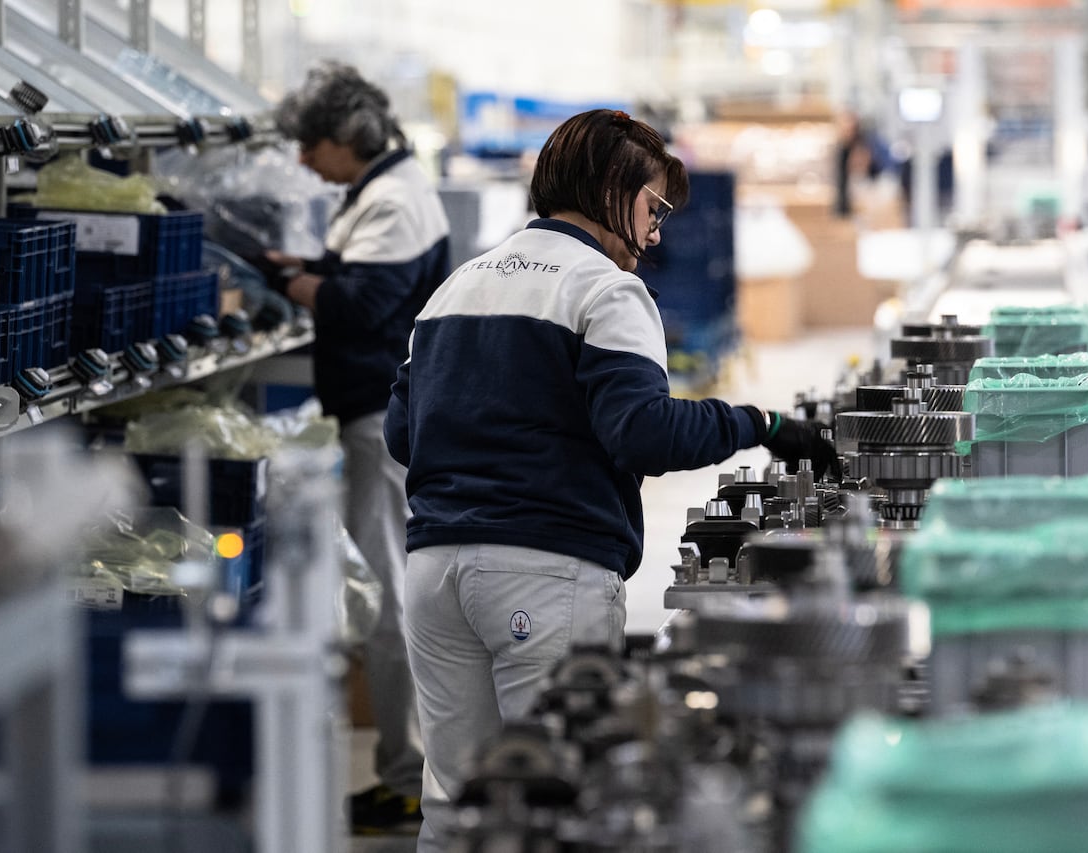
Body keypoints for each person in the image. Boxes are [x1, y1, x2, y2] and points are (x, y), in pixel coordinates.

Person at [383, 108, 837, 852]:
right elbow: (644, 432)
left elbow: (401, 434)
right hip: (545, 569)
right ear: (610, 188)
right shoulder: (605, 291)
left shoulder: (457, 287)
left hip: (434, 573)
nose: (656, 234)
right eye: (653, 208)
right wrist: (762, 423)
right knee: (564, 801)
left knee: (461, 802)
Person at [269, 60, 451, 834]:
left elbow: (362, 306)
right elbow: (354, 277)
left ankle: (410, 777)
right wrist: (309, 268)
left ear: (350, 136)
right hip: (373, 412)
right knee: (387, 588)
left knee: (384, 594)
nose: (304, 158)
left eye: (312, 143)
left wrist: (286, 281)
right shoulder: (377, 191)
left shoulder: (396, 199)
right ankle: (404, 770)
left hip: (380, 415)